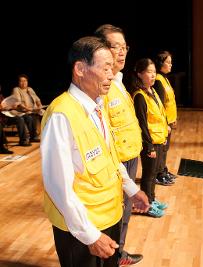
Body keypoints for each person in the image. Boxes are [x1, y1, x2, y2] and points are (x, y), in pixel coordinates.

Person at [41, 36, 150, 267]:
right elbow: (58, 186)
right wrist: (90, 235)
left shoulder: (97, 106)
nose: (112, 74)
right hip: (81, 230)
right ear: (80, 69)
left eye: (112, 68)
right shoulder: (62, 115)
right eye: (105, 68)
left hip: (109, 217)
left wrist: (130, 188)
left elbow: (110, 157)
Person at [94, 24, 144, 266]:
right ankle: (113, 255)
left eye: (125, 47)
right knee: (115, 214)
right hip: (116, 163)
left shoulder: (119, 81)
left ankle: (118, 253)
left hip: (129, 155)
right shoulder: (100, 86)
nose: (122, 52)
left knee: (124, 213)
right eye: (116, 47)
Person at [132, 58, 169, 218]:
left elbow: (159, 114)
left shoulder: (152, 91)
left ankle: (152, 199)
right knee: (148, 176)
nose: (153, 75)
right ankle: (146, 206)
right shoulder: (140, 96)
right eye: (149, 72)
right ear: (140, 74)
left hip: (159, 139)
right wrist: (149, 146)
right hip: (150, 143)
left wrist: (165, 133)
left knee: (153, 174)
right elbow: (142, 124)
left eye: (154, 72)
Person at [153, 51, 178, 186]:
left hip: (169, 121)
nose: (170, 65)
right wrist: (165, 124)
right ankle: (159, 174)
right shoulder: (158, 80)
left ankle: (163, 170)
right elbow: (160, 105)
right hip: (164, 123)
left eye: (171, 62)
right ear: (160, 63)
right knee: (162, 149)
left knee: (165, 149)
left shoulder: (164, 78)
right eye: (167, 62)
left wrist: (173, 119)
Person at [11, 74, 42, 146]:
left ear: (27, 82)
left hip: (30, 110)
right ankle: (23, 140)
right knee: (27, 118)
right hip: (20, 111)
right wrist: (29, 109)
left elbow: (37, 99)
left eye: (25, 81)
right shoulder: (16, 89)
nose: (23, 82)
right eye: (21, 81)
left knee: (42, 114)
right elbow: (18, 103)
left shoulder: (30, 89)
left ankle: (34, 136)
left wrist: (39, 105)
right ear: (18, 82)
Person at [0, 85, 13, 154]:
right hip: (1, 118)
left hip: (4, 117)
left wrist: (11, 106)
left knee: (20, 119)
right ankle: (2, 146)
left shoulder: (1, 96)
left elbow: (5, 106)